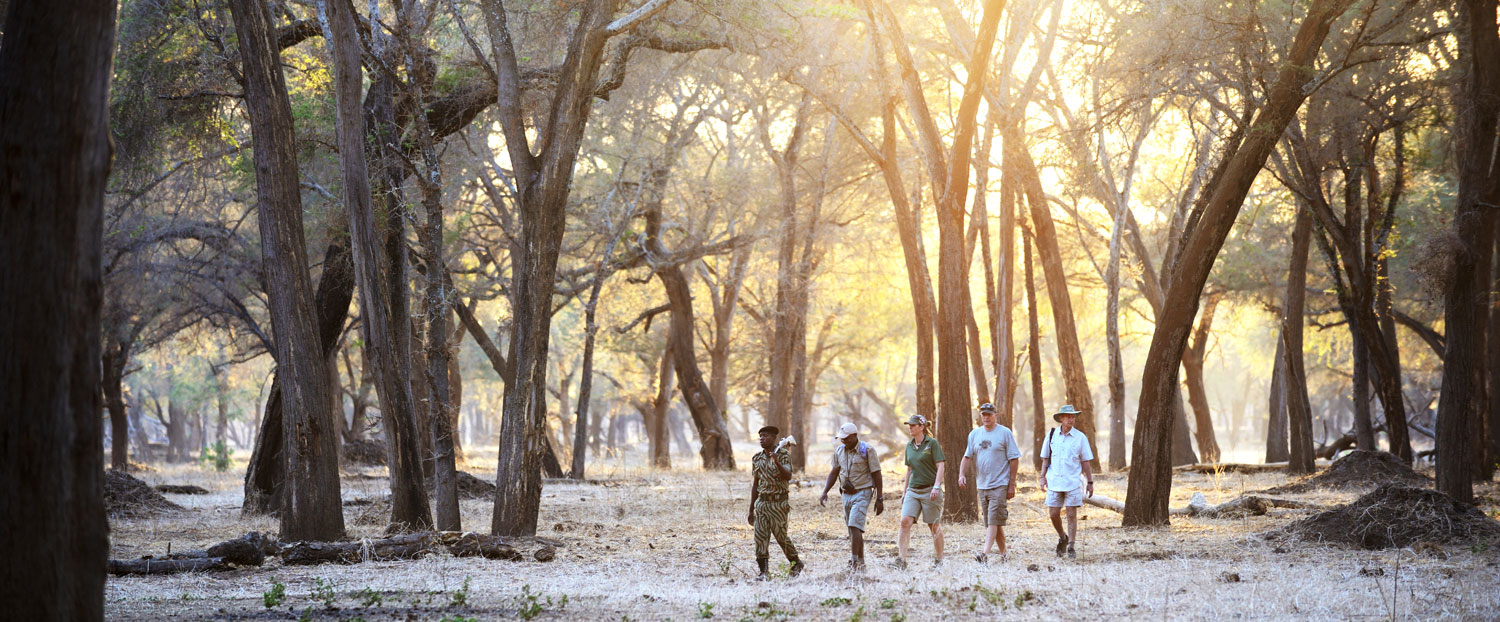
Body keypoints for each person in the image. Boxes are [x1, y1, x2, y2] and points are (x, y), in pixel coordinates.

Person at [958, 402, 1020, 563]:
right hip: (982, 484)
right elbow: (967, 456)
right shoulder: (974, 434)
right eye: (983, 414)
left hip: (1000, 484)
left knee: (993, 520)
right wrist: (961, 475)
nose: (986, 417)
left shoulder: (1004, 433)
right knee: (994, 523)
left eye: (989, 414)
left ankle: (984, 554)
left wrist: (1011, 484)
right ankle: (1005, 555)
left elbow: (1014, 459)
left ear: (995, 415)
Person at [819, 422, 884, 570]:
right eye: (842, 438)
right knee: (854, 529)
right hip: (846, 494)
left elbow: (877, 474)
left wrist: (879, 498)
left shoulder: (867, 450)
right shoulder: (839, 451)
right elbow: (834, 472)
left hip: (862, 492)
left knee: (854, 525)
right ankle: (861, 562)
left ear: (855, 436)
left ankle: (853, 561)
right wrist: (825, 492)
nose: (844, 441)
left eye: (847, 438)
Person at [748, 425, 804, 580]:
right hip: (762, 503)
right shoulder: (757, 458)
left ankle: (796, 562)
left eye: (765, 436)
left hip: (778, 503)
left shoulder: (783, 455)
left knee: (781, 536)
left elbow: (788, 476)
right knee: (760, 537)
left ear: (774, 438)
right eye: (760, 436)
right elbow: (755, 484)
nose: (762, 439)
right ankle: (764, 572)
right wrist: (751, 509)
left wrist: (776, 461)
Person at [1040, 404, 1094, 559]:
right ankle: (1062, 537)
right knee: (1053, 513)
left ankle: (1071, 545)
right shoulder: (1052, 435)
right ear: (1061, 418)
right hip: (1054, 480)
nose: (1071, 419)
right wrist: (1042, 477)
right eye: (1068, 417)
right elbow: (1045, 458)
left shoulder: (1080, 437)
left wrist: (1090, 482)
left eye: (1073, 417)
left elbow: (1085, 462)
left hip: (1072, 481)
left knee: (1071, 513)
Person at [895, 414, 945, 568]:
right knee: (905, 522)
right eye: (909, 425)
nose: (910, 427)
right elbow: (909, 470)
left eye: (913, 425)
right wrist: (905, 492)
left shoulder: (932, 443)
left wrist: (937, 486)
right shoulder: (909, 446)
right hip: (913, 490)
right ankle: (901, 560)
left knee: (933, 525)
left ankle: (939, 560)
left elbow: (941, 465)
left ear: (922, 427)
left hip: (930, 489)